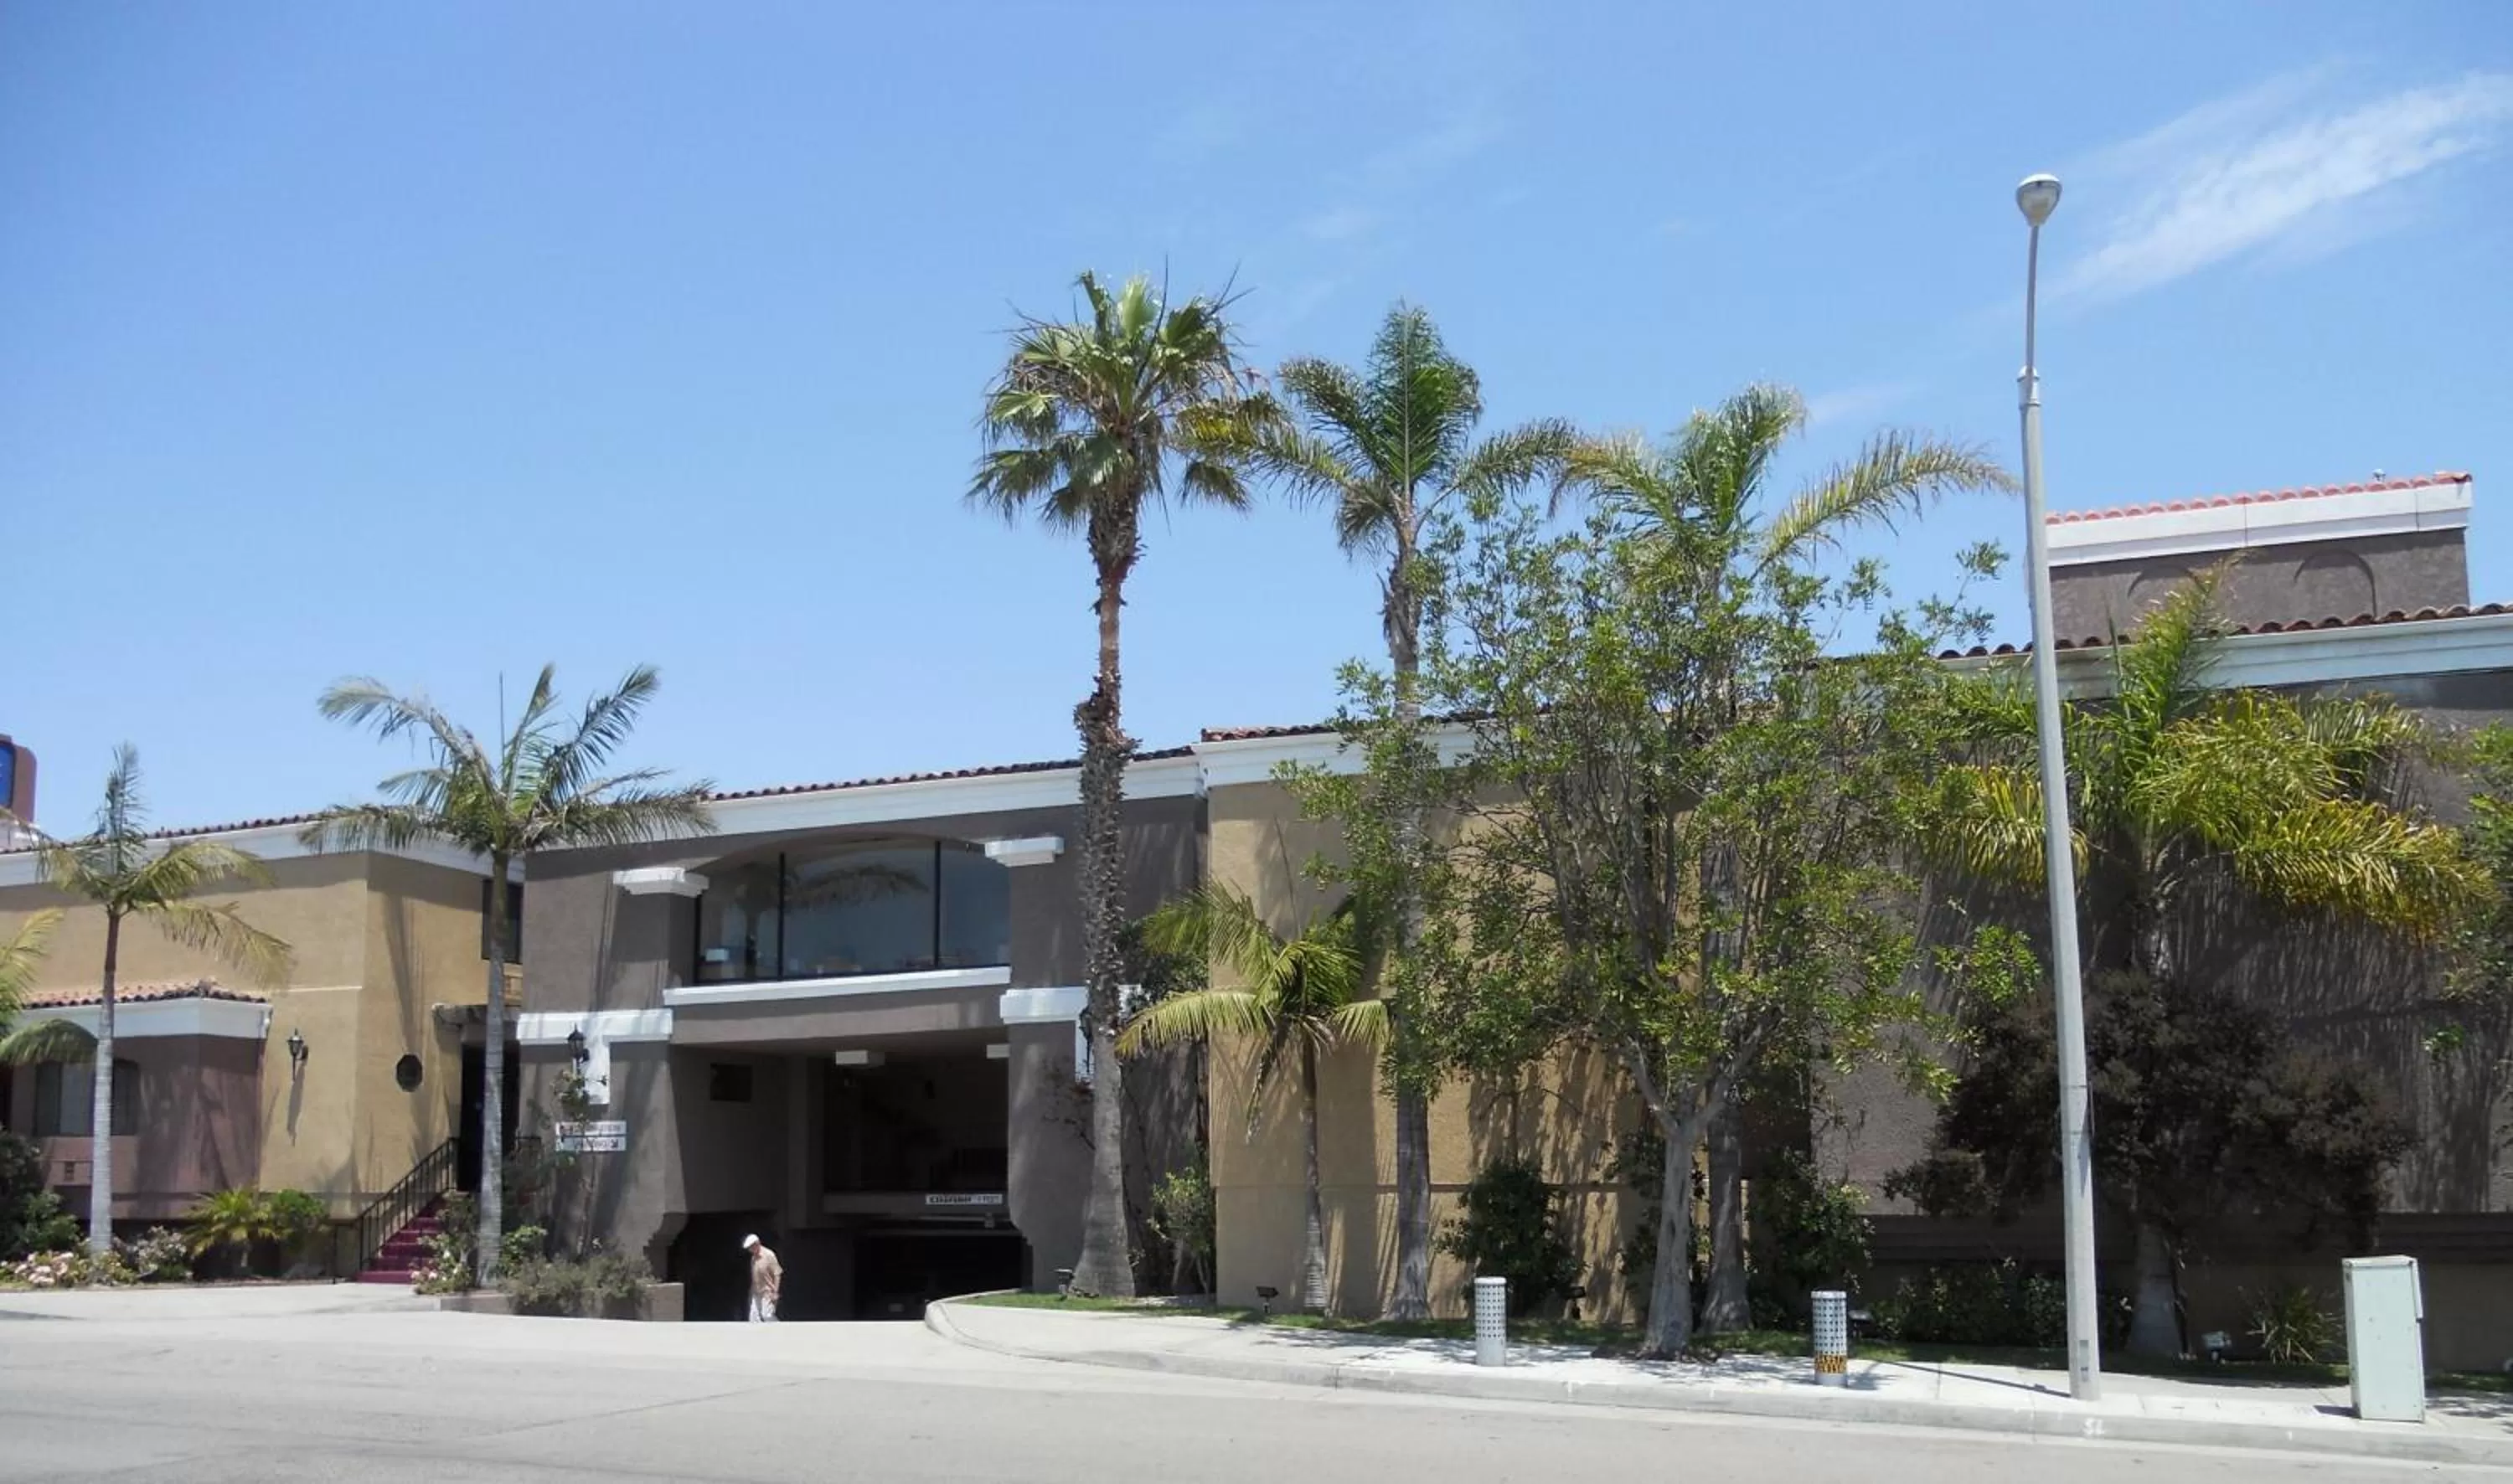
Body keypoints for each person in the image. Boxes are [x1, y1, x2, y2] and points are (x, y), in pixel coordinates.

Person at [743, 1233, 782, 1322]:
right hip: (756, 1293)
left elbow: (777, 1274)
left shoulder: (769, 1255)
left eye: (751, 1247)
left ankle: (779, 1331)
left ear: (757, 1244)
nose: (750, 1250)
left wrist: (775, 1292)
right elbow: (755, 1276)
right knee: (753, 1318)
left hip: (767, 1292)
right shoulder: (753, 1258)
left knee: (767, 1315)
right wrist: (751, 1293)